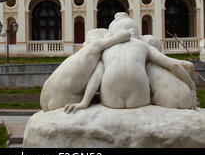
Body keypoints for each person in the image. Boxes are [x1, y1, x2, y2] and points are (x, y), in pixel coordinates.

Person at [64, 13, 196, 113]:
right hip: (139, 99)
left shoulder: (106, 49)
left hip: (111, 100)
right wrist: (192, 86)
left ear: (111, 33)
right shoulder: (143, 45)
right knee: (148, 69)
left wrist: (84, 103)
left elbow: (97, 76)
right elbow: (173, 65)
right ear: (137, 33)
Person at [40, 27, 131, 112]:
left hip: (45, 98)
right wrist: (84, 103)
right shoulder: (97, 47)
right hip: (61, 101)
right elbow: (126, 34)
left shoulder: (80, 53)